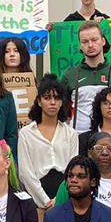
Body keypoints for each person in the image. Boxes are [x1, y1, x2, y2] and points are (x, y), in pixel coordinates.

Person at [62, 21, 111, 133]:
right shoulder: (70, 74)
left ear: (103, 41)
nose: (90, 45)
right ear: (80, 45)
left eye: (94, 40)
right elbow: (59, 110)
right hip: (79, 140)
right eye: (85, 41)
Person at [17, 75, 78, 212]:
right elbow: (25, 173)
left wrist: (60, 198)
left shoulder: (71, 134)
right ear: (39, 101)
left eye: (56, 98)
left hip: (65, 193)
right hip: (36, 195)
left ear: (62, 102)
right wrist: (45, 201)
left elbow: (73, 169)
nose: (52, 102)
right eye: (47, 98)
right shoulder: (26, 133)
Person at [41, 155, 111, 222]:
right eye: (70, 176)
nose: (73, 180)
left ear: (93, 182)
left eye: (80, 176)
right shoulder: (52, 217)